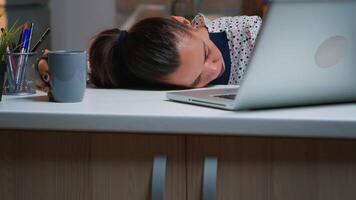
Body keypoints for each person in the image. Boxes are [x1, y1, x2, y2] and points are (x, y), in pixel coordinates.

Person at [37, 13, 262, 90]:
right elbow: (108, 62)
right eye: (197, 80)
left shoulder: (247, 33)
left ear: (185, 23)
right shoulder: (150, 73)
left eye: (206, 53)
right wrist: (52, 68)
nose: (214, 69)